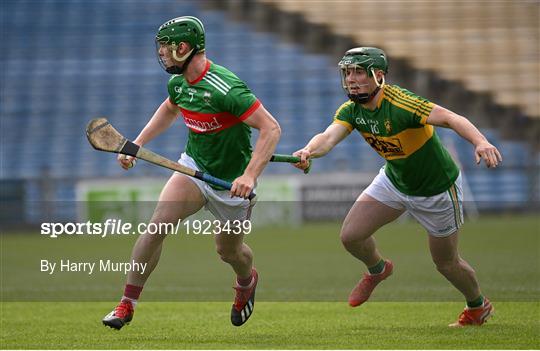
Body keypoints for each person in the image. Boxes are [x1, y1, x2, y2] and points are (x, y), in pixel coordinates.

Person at [293, 47, 502, 327]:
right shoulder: (352, 110)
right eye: (347, 73)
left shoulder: (403, 104)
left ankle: (477, 307)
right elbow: (328, 137)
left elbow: (452, 118)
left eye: (358, 72)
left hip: (437, 189)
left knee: (446, 264)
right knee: (351, 236)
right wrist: (308, 151)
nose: (351, 79)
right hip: (394, 181)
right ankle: (378, 269)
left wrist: (481, 141)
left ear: (378, 76)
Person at [102, 16, 281, 329]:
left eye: (167, 48)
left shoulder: (227, 88)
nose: (162, 54)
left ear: (184, 47)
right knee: (157, 226)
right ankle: (126, 304)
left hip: (231, 183)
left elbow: (271, 128)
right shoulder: (178, 83)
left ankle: (246, 281)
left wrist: (250, 176)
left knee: (230, 252)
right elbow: (170, 108)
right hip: (194, 168)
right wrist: (137, 144)